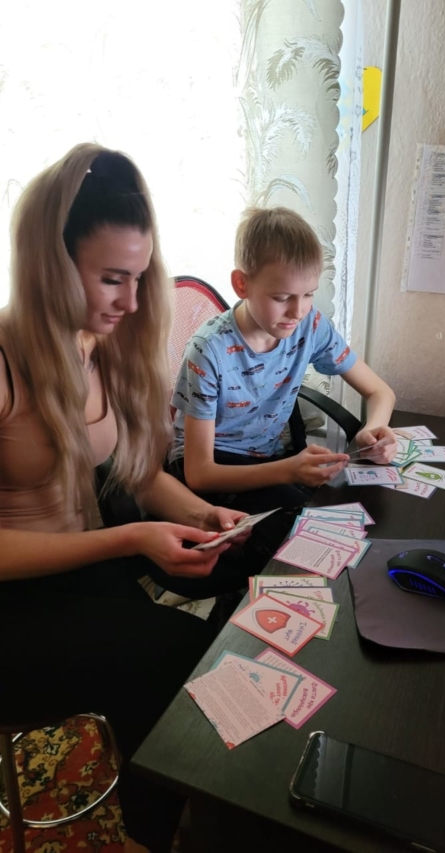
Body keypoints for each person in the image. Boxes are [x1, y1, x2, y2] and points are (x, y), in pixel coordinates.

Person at [0, 143, 255, 853]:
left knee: (261, 553)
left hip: (84, 571)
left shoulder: (95, 347)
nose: (133, 301)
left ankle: (194, 803)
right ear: (50, 265)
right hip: (14, 611)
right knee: (179, 661)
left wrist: (204, 515)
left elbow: (138, 473)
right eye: (113, 278)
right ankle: (157, 831)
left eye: (139, 278)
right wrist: (132, 537)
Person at [168, 207, 397, 514]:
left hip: (267, 460)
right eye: (282, 297)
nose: (298, 312)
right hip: (209, 467)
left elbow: (381, 392)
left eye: (309, 294)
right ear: (242, 284)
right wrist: (289, 471)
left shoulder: (310, 326)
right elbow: (199, 474)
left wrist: (374, 430)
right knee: (304, 520)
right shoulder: (208, 350)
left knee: (341, 512)